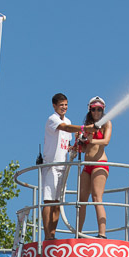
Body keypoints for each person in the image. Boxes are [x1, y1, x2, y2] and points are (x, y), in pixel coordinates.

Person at [42, 93, 95, 240]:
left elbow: (67, 144)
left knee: (58, 202)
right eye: (61, 105)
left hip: (63, 166)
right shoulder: (52, 119)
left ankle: (52, 235)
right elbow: (65, 128)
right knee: (49, 201)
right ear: (54, 106)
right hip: (51, 165)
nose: (64, 107)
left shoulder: (68, 120)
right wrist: (85, 128)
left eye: (65, 105)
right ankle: (47, 236)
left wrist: (76, 146)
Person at [78, 96, 112, 239]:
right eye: (94, 109)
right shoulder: (87, 126)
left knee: (97, 198)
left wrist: (90, 140)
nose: (96, 112)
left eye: (99, 109)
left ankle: (102, 234)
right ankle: (78, 233)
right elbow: (85, 149)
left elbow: (106, 141)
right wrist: (79, 143)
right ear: (89, 110)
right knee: (81, 200)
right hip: (87, 165)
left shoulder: (106, 123)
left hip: (100, 164)